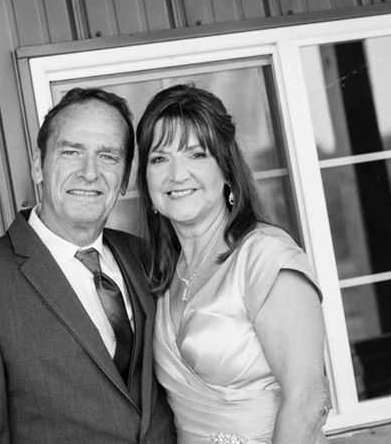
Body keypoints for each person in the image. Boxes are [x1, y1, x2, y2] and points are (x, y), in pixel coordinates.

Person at [0, 87, 176, 443]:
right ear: (38, 165)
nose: (89, 173)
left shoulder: (144, 257)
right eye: (71, 152)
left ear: (125, 177)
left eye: (108, 156)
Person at [135, 84, 331, 444]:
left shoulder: (266, 257)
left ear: (226, 170)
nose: (177, 175)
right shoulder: (164, 275)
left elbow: (308, 402)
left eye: (196, 154)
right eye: (160, 159)